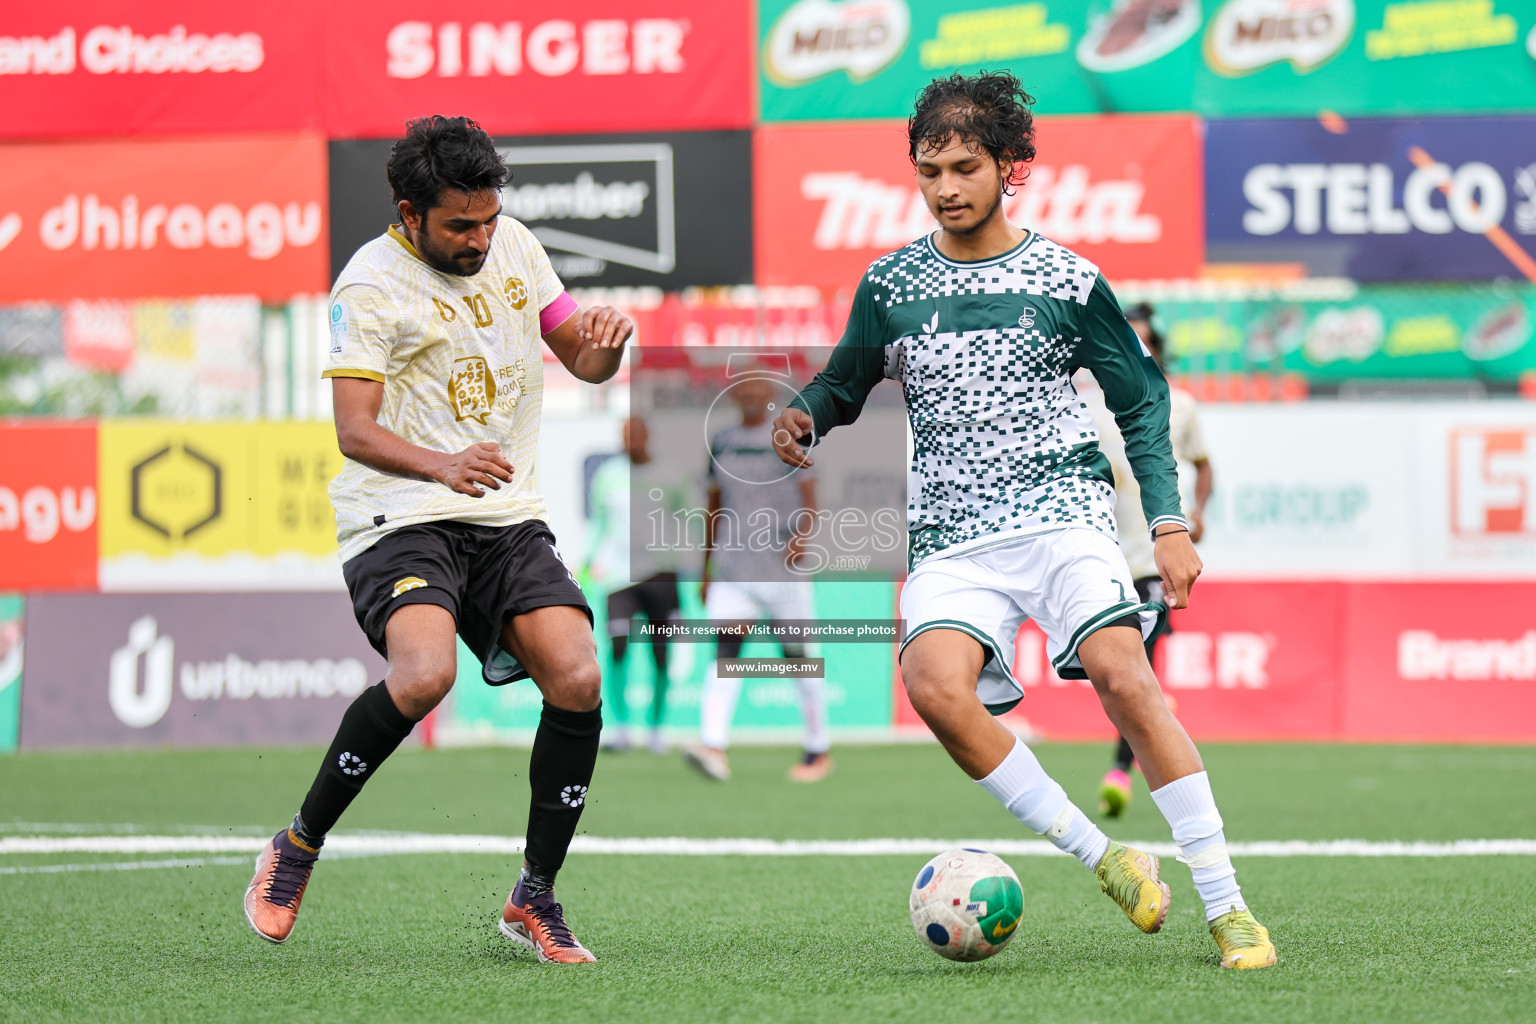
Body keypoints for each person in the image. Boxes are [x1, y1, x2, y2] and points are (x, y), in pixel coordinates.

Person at [770, 72, 1275, 969]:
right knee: (933, 686)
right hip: (952, 536)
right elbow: (845, 381)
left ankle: (1227, 904)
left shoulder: (1067, 280)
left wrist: (1167, 522)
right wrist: (805, 412)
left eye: (966, 166)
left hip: (1061, 514)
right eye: (930, 171)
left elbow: (1142, 403)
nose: (947, 187)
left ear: (1013, 167)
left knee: (1125, 674)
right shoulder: (889, 283)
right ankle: (1107, 856)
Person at [242, 115, 634, 964]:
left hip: (502, 510)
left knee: (576, 673)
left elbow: (577, 356)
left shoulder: (518, 248)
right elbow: (354, 429)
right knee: (424, 675)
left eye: (489, 219)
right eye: (461, 225)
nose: (481, 238)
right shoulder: (368, 287)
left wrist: (602, 352)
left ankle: (535, 894)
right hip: (399, 512)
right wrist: (442, 465)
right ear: (409, 212)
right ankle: (297, 846)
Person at [1092, 303, 1214, 818]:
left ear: (1158, 352)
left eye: (1144, 344)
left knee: (1144, 652)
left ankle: (1120, 768)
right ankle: (1146, 723)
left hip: (1153, 554)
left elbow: (1205, 468)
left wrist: (1197, 514)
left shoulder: (1179, 406)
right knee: (1118, 666)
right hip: (1101, 551)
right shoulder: (1090, 405)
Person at [684, 374, 833, 783]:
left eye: (757, 389)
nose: (750, 395)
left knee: (799, 660)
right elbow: (714, 505)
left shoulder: (791, 436)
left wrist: (803, 536)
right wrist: (706, 567)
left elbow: (811, 495)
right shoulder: (723, 440)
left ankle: (818, 748)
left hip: (782, 567)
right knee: (725, 656)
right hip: (734, 568)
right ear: (733, 395)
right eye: (742, 389)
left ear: (770, 395)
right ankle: (713, 746)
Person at [584, 417, 683, 754]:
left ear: (647, 436)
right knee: (618, 648)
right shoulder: (607, 476)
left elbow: (690, 518)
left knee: (661, 654)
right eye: (625, 436)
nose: (630, 442)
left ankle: (657, 730)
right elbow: (599, 523)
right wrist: (588, 562)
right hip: (617, 578)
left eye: (635, 435)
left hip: (661, 575)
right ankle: (621, 728)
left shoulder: (671, 474)